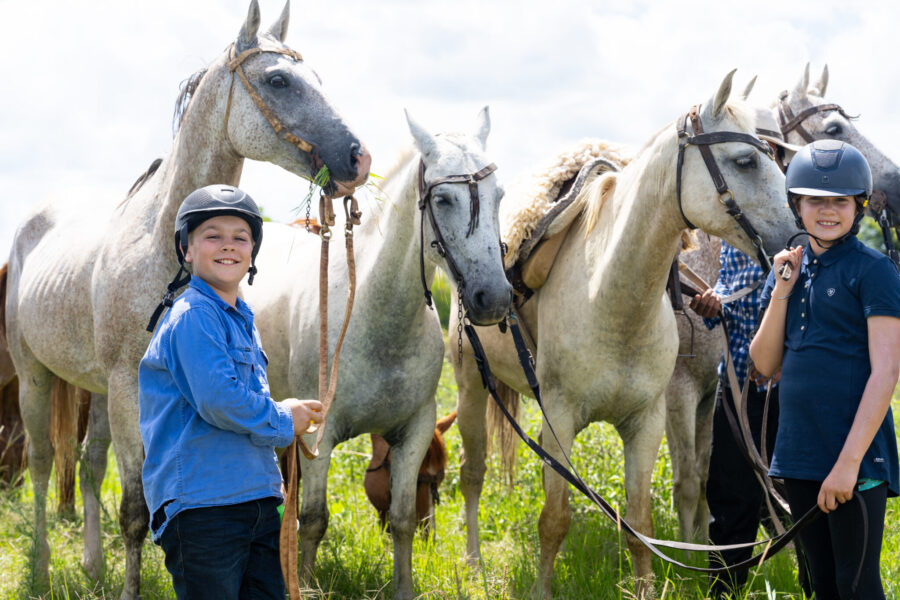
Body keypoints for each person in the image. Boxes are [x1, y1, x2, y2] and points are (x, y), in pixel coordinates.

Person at [139, 184, 321, 600]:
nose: (229, 246)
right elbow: (219, 399)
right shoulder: (193, 316)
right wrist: (283, 419)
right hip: (205, 510)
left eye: (241, 237)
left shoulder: (241, 317)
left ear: (252, 251)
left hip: (254, 500)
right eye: (212, 235)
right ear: (186, 249)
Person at [750, 140, 900, 599]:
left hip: (855, 460)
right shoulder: (792, 271)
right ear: (797, 206)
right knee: (822, 586)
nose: (828, 210)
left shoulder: (874, 271)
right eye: (816, 199)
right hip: (800, 456)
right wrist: (782, 289)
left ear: (859, 206)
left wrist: (847, 466)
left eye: (840, 200)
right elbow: (765, 363)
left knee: (856, 588)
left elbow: (886, 371)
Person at [690, 243, 784, 598]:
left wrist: (782, 360)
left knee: (796, 494)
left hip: (784, 389)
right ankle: (725, 592)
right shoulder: (733, 240)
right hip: (735, 383)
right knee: (728, 494)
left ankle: (815, 584)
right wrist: (712, 305)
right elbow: (729, 294)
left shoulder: (793, 232)